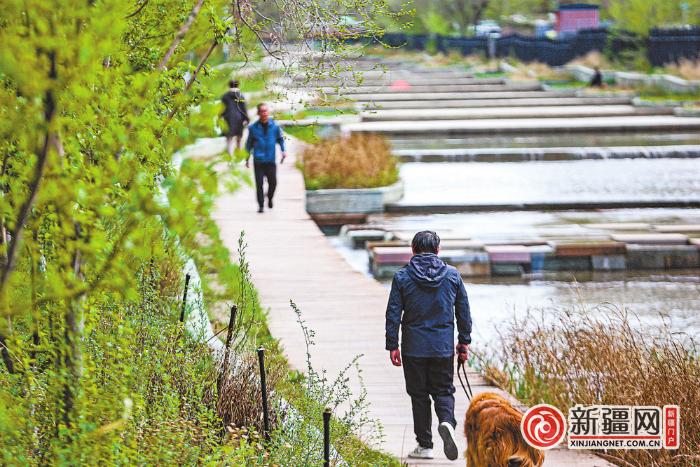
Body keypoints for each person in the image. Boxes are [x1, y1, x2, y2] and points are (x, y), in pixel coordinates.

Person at [385, 231, 472, 461]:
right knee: (444, 391)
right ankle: (446, 422)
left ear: (413, 250)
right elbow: (463, 312)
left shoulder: (402, 277)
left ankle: (425, 446)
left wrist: (392, 344)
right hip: (442, 347)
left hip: (413, 347)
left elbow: (393, 313)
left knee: (419, 395)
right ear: (438, 250)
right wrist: (464, 342)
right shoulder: (452, 276)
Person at [245, 103, 287, 213]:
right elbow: (248, 144)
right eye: (262, 111)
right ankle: (261, 205)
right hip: (258, 160)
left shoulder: (275, 126)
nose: (264, 113)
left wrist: (283, 151)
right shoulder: (253, 128)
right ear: (258, 113)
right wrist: (246, 158)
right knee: (259, 184)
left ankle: (270, 197)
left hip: (270, 160)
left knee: (273, 183)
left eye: (266, 111)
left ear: (268, 112)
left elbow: (281, 140)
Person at [221, 79, 249, 157]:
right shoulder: (240, 95)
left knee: (229, 139)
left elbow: (222, 108)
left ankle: (230, 156)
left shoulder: (225, 96)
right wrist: (246, 118)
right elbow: (244, 108)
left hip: (228, 118)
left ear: (229, 85)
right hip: (239, 119)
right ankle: (239, 155)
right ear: (238, 85)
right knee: (239, 138)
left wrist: (220, 117)